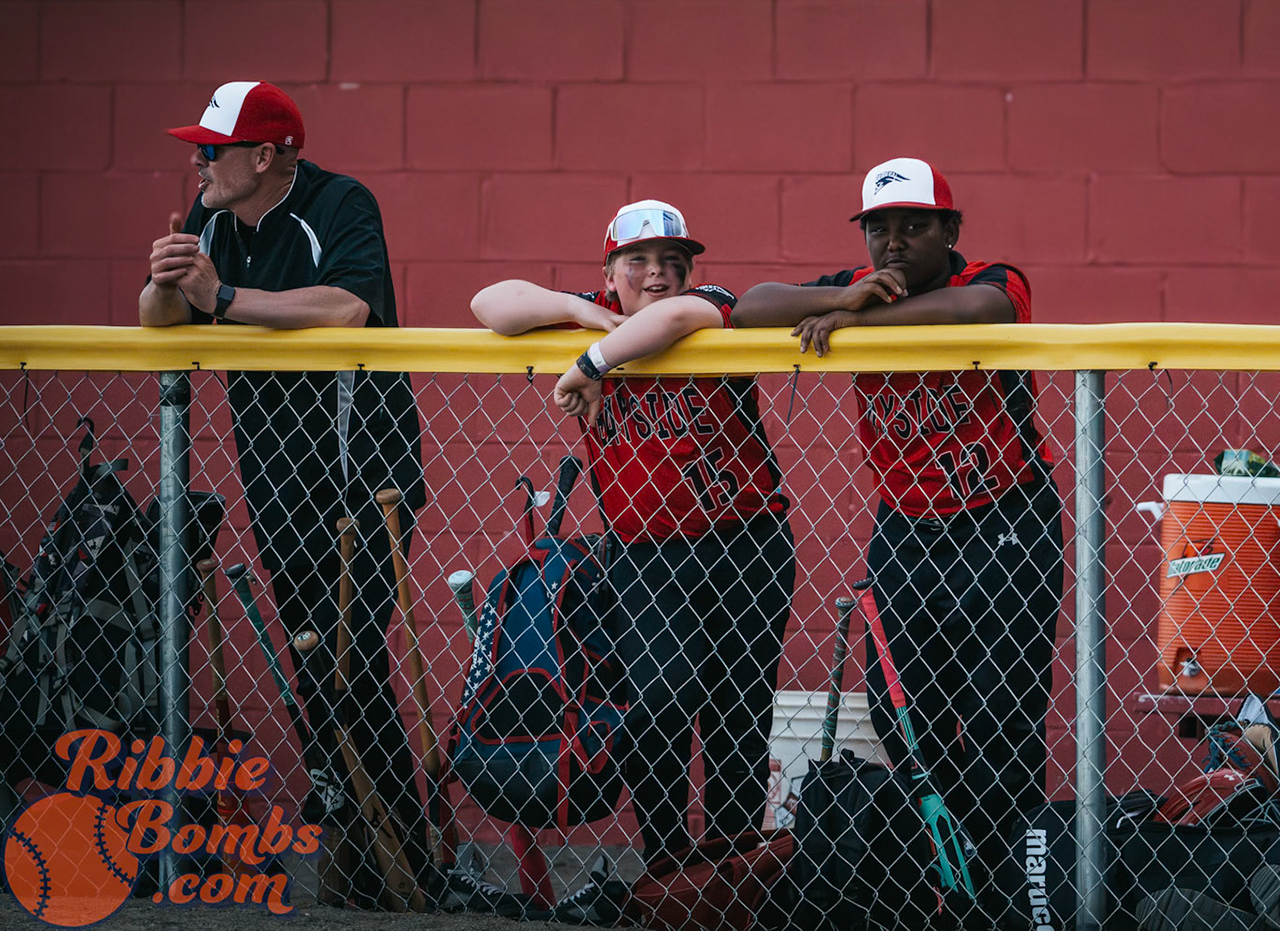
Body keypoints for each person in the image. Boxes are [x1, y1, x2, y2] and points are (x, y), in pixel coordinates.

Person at [733, 157, 1062, 907]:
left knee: (999, 712)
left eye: (915, 226)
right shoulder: (857, 282)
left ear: (950, 230)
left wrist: (857, 320)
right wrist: (848, 296)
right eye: (880, 228)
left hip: (1004, 518)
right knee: (896, 706)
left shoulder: (991, 276)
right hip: (908, 527)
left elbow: (979, 313)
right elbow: (750, 307)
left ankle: (1012, 882)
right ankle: (953, 862)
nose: (894, 243)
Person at [137, 81, 432, 901]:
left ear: (264, 156)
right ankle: (358, 839)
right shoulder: (208, 219)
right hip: (274, 472)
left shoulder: (338, 202)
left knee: (352, 660)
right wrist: (166, 283)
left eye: (212, 150)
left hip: (362, 473)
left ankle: (399, 850)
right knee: (311, 664)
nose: (198, 163)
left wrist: (221, 298)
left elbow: (347, 308)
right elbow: (160, 323)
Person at [470, 199, 794, 865]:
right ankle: (669, 868)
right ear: (609, 270)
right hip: (645, 555)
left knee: (738, 714)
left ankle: (729, 873)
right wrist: (587, 314)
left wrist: (590, 362)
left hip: (746, 543)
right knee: (659, 701)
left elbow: (677, 316)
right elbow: (490, 302)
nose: (656, 275)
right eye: (637, 261)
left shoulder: (707, 306)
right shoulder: (595, 313)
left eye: (672, 261)